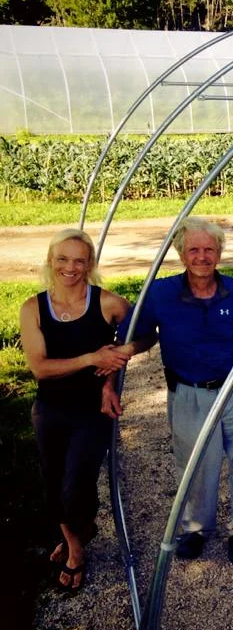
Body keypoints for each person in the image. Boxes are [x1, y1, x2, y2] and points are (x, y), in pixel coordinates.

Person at [102, 216, 233, 564]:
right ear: (181, 253)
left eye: (209, 249)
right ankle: (195, 529)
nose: (202, 256)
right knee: (195, 465)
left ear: (219, 253)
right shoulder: (161, 293)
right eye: (194, 249)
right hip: (190, 393)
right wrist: (116, 373)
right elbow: (134, 336)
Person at [19, 229, 136, 592]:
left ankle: (77, 543)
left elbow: (144, 331)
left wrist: (114, 367)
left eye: (79, 260)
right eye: (63, 259)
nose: (70, 267)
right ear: (51, 260)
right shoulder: (33, 308)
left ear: (90, 265)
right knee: (53, 484)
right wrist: (92, 357)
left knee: (76, 487)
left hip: (91, 410)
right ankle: (74, 543)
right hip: (50, 409)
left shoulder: (106, 303)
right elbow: (40, 367)